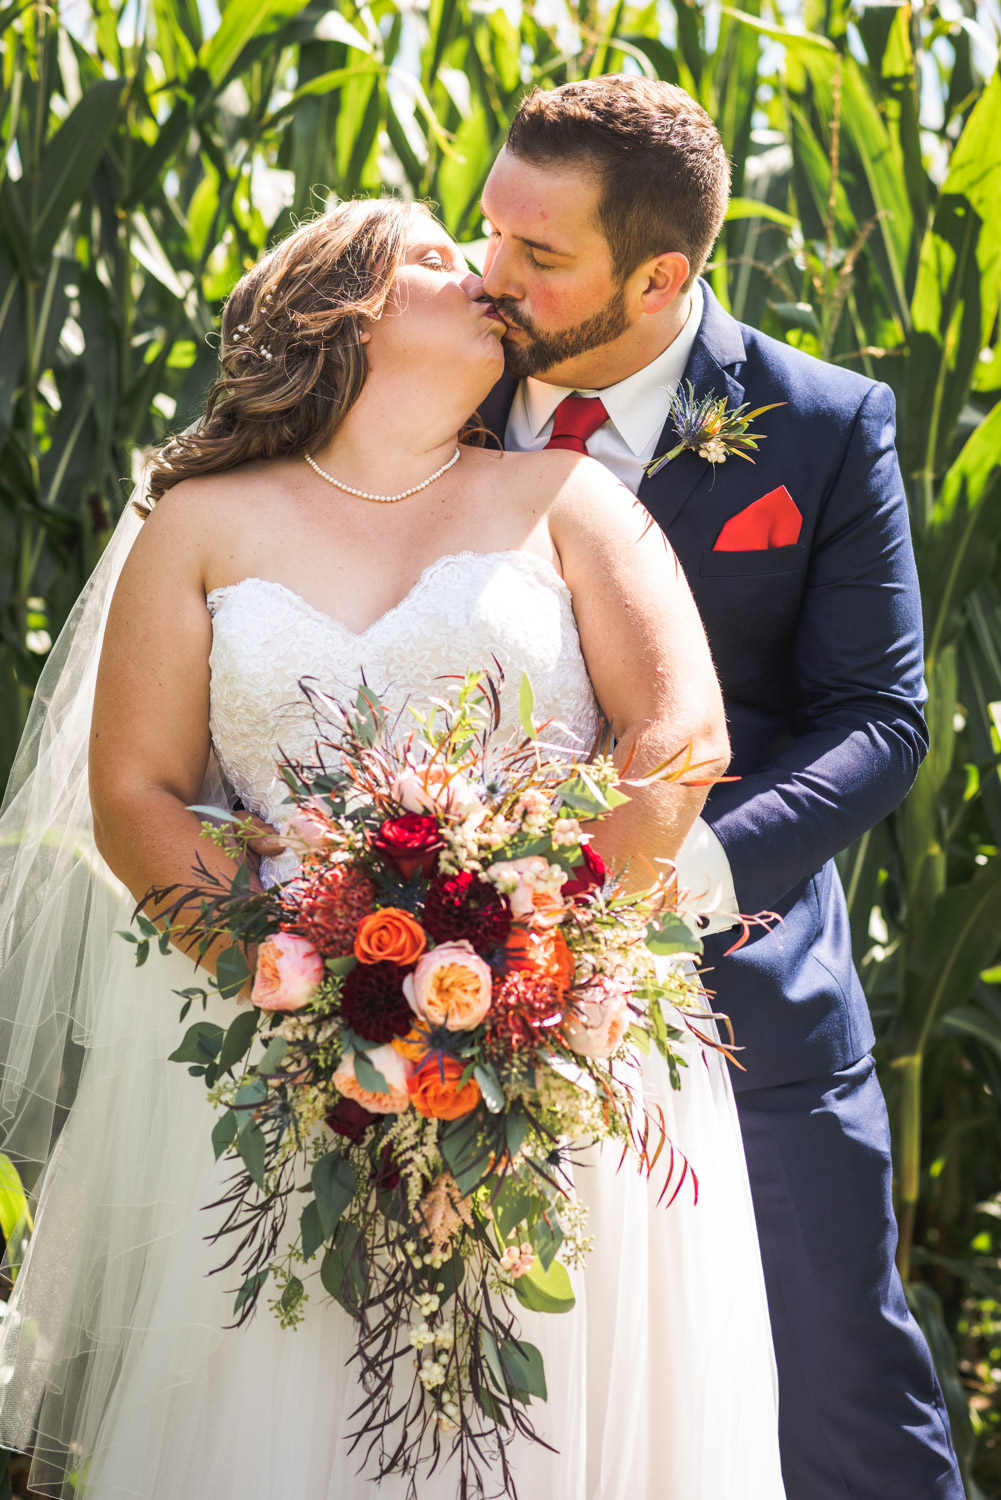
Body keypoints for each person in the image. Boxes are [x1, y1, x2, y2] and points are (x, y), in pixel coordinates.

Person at [0, 198, 786, 1499]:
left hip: (553, 1051)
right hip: (290, 1063)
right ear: (339, 315)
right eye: (433, 256)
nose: (482, 274)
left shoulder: (572, 499)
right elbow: (137, 796)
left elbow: (679, 737)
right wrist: (300, 985)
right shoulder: (197, 524)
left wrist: (534, 971)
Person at [474, 74, 963, 1500]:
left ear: (660, 277)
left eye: (538, 253)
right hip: (447, 992)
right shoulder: (428, 383)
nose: (491, 274)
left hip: (742, 1000)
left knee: (841, 1414)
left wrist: (668, 874)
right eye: (489, 226)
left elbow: (877, 720)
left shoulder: (820, 425)